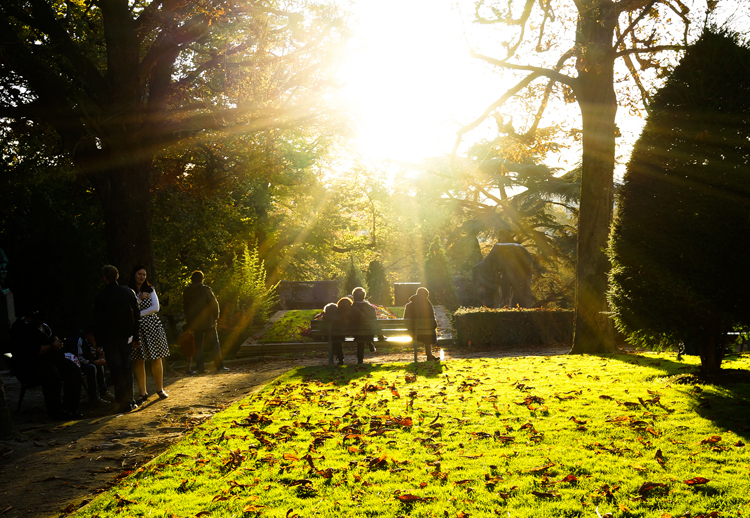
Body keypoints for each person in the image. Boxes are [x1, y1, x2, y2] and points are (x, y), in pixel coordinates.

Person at [9, 309, 82, 420]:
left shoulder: (43, 326)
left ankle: (70, 407)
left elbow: (51, 336)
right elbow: (35, 351)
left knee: (73, 370)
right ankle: (55, 411)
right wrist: (52, 346)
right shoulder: (21, 329)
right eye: (39, 320)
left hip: (50, 360)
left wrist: (55, 341)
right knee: (51, 373)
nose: (42, 322)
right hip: (30, 366)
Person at [93, 265, 141, 413]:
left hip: (110, 339)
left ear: (104, 278)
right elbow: (136, 316)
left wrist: (99, 343)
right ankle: (131, 399)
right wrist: (136, 336)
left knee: (116, 370)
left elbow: (98, 321)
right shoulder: (128, 292)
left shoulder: (101, 297)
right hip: (127, 337)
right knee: (127, 368)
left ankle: (123, 401)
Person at [128, 265, 170, 404]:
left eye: (144, 274)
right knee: (138, 360)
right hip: (137, 329)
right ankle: (142, 393)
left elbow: (155, 308)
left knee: (156, 357)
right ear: (134, 275)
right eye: (139, 274)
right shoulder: (129, 291)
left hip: (152, 326)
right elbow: (129, 309)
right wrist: (139, 298)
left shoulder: (150, 289)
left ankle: (160, 389)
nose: (142, 277)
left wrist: (138, 314)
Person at [183, 271, 228, 374]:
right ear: (202, 279)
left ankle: (201, 369)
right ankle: (219, 366)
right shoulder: (205, 290)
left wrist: (189, 322)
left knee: (198, 346)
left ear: (192, 280)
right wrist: (216, 317)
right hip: (209, 321)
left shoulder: (187, 292)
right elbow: (214, 304)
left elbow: (185, 308)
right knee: (215, 344)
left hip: (195, 323)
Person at [64, 330, 114, 405]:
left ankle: (104, 392)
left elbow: (92, 356)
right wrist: (94, 362)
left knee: (99, 365)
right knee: (92, 368)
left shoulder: (89, 342)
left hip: (84, 361)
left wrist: (98, 353)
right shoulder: (78, 340)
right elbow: (79, 359)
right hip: (73, 364)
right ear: (90, 335)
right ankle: (94, 397)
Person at [403, 287, 439, 361]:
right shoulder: (428, 306)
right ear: (426, 296)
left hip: (413, 332)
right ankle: (429, 355)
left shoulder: (409, 305)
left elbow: (405, 320)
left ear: (417, 294)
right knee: (428, 333)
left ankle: (429, 355)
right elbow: (433, 322)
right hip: (426, 333)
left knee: (425, 333)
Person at [350, 287, 381, 364]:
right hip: (368, 333)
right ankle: (369, 341)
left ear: (354, 297)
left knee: (360, 335)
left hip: (356, 333)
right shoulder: (370, 308)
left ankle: (360, 358)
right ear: (364, 296)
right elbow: (374, 321)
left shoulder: (351, 308)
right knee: (365, 331)